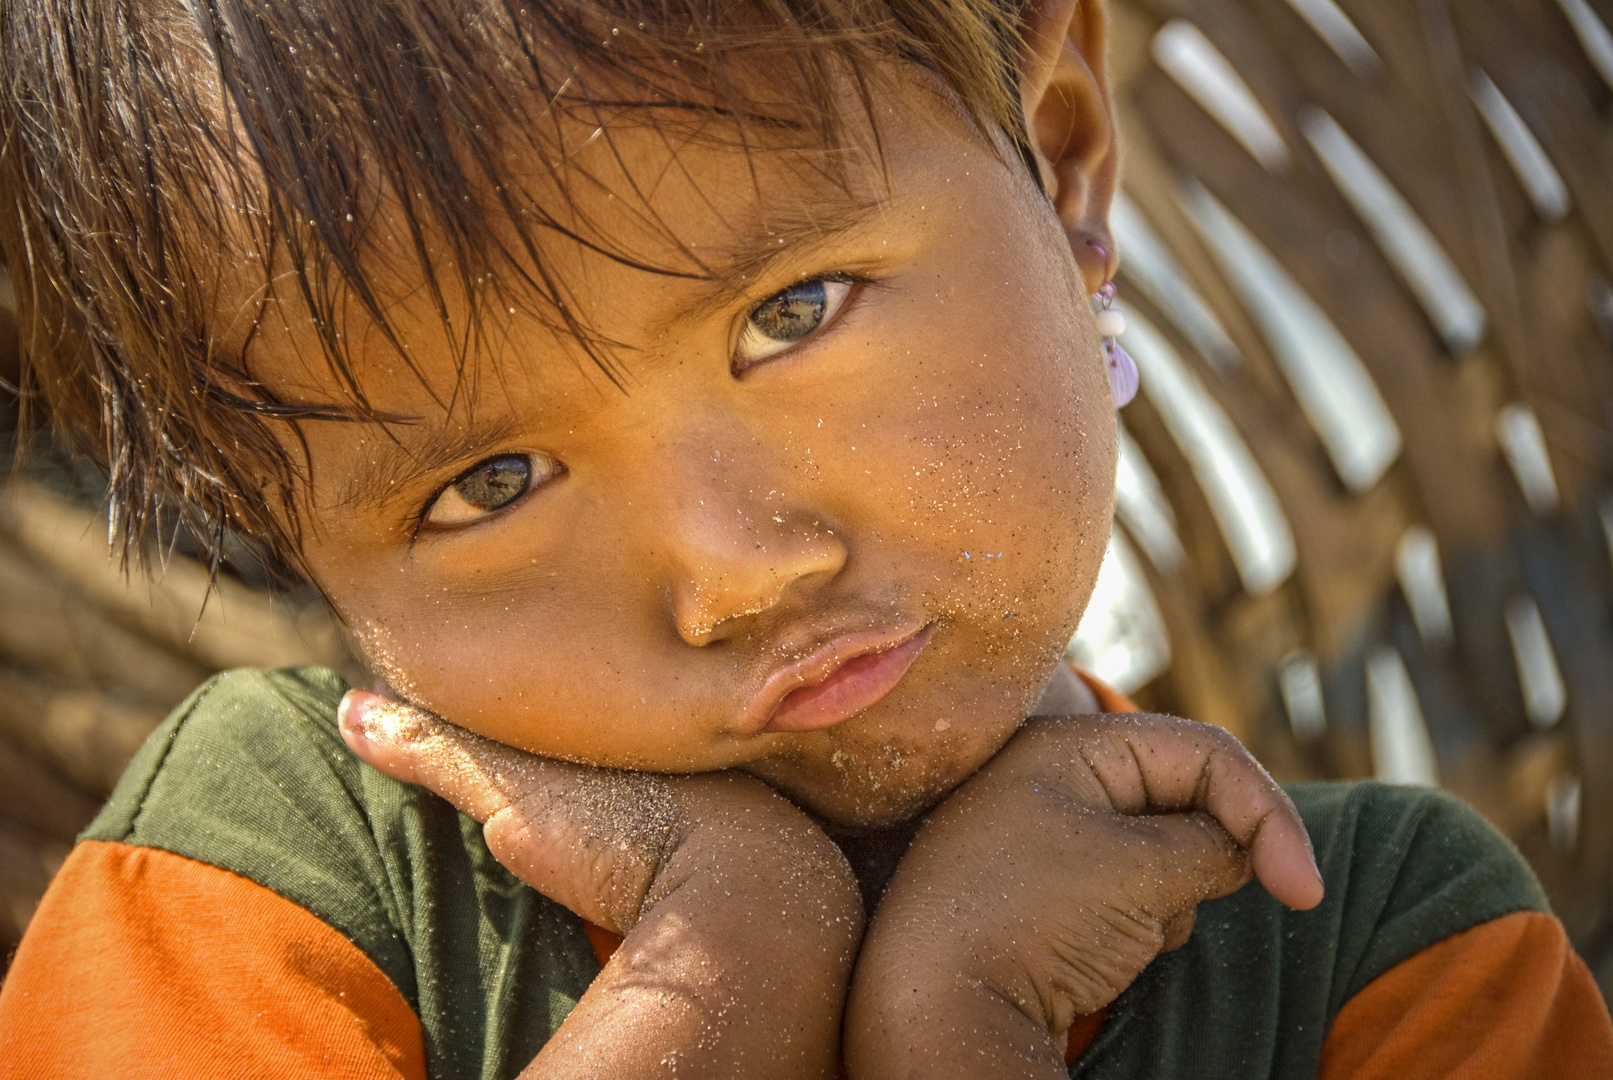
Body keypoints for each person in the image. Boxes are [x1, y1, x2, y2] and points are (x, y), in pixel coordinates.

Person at [0, 0, 1608, 1076]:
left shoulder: (1387, 949)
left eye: (793, 310)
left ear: (1057, 160)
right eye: (486, 485)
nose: (732, 571)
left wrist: (955, 1029)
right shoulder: (262, 872)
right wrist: (713, 981)